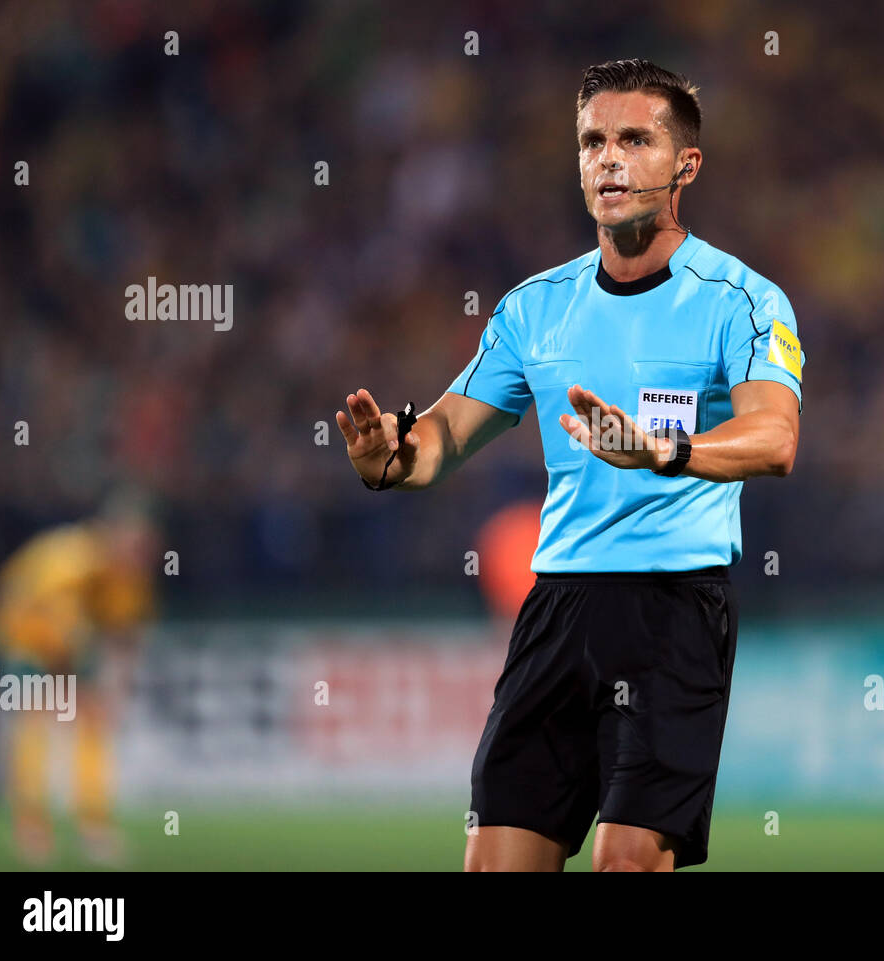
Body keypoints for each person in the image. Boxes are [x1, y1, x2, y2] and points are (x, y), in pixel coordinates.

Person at [337, 59, 803, 871]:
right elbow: (441, 438)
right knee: (495, 863)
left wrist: (670, 450)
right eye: (593, 140)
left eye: (633, 139)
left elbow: (776, 438)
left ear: (685, 164)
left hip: (673, 607)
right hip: (556, 608)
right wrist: (390, 460)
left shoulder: (743, 300)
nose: (608, 159)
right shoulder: (534, 307)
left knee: (626, 859)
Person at [0, 491, 157, 865]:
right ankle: (32, 826)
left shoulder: (127, 576)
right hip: (23, 633)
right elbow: (34, 612)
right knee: (35, 722)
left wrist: (116, 690)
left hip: (71, 644)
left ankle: (92, 824)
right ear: (111, 533)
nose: (139, 553)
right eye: (134, 541)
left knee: (93, 724)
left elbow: (124, 636)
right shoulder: (70, 558)